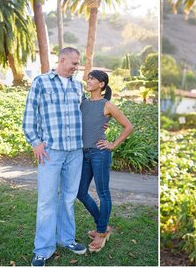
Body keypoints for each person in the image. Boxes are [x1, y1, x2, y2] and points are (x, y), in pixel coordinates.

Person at [23, 47, 88, 266]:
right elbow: (29, 115)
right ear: (62, 60)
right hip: (51, 152)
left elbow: (86, 114)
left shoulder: (78, 86)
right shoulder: (41, 82)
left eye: (78, 63)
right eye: (74, 63)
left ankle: (66, 239)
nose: (76, 67)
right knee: (46, 201)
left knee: (69, 198)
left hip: (75, 151)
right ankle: (43, 249)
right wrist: (35, 142)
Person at [76, 70, 134, 253]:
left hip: (100, 153)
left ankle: (101, 232)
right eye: (88, 78)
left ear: (101, 84)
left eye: (92, 78)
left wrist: (112, 144)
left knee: (103, 193)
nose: (88, 80)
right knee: (80, 191)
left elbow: (128, 126)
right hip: (83, 153)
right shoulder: (82, 103)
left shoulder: (107, 105)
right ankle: (102, 225)